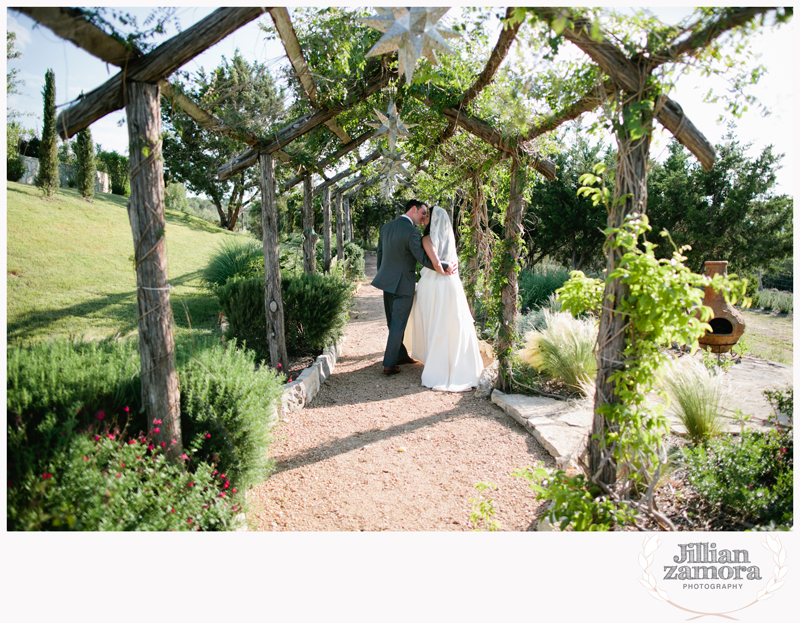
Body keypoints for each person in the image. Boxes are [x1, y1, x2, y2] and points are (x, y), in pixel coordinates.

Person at [404, 205, 483, 391]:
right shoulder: (448, 238)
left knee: (436, 323)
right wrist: (448, 269)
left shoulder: (426, 238)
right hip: (452, 285)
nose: (424, 218)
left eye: (427, 215)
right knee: (452, 323)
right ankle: (459, 366)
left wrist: (442, 268)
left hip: (434, 285)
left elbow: (436, 264)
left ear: (434, 219)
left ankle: (439, 366)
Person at [372, 200, 454, 375]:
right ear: (413, 209)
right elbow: (423, 259)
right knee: (398, 323)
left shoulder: (386, 227)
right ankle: (389, 364)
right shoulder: (412, 232)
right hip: (403, 284)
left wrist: (383, 274)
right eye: (423, 212)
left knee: (391, 321)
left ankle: (400, 354)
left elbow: (380, 253)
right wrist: (444, 265)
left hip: (387, 282)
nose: (424, 217)